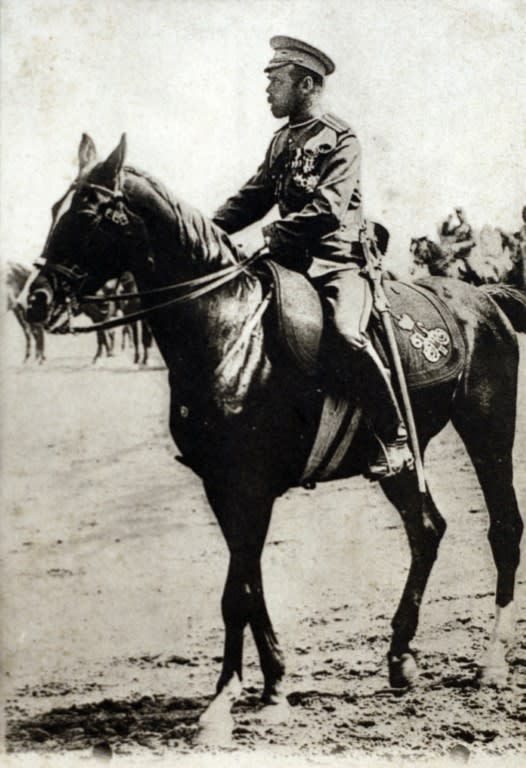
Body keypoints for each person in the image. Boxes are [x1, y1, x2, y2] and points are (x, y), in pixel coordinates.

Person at [213, 36, 412, 478]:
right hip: (288, 266)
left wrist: (268, 234)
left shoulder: (342, 138)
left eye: (275, 81)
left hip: (337, 263)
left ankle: (394, 437)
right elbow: (251, 198)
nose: (267, 89)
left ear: (305, 84)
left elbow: (326, 210)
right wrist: (207, 231)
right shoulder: (281, 140)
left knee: (345, 332)